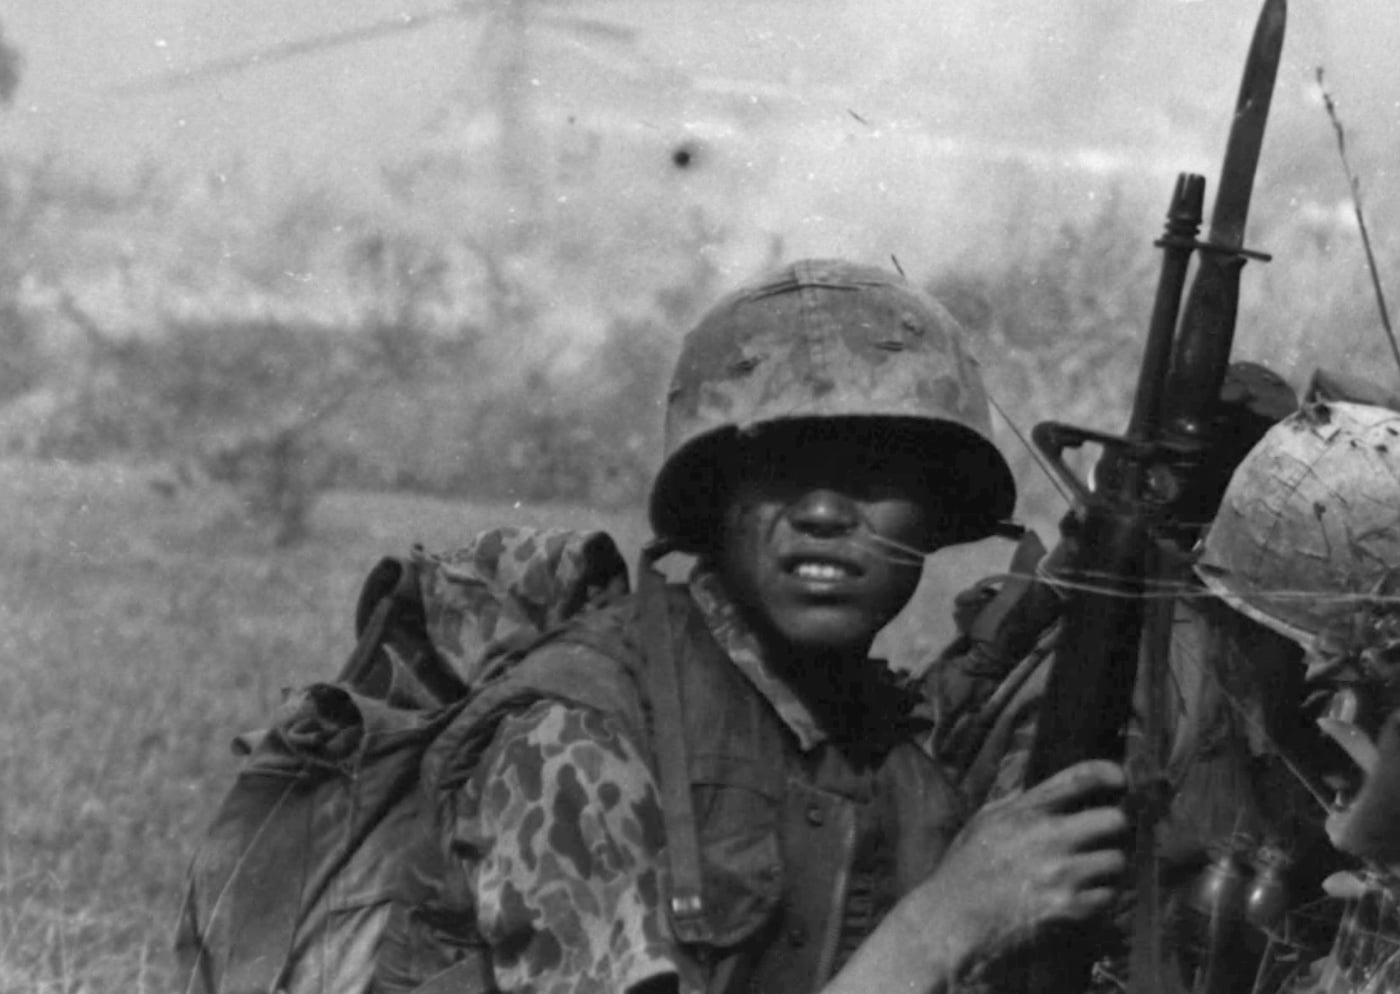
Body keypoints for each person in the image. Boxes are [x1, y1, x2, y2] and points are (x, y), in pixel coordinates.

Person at [426, 258, 1132, 993]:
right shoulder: (581, 732)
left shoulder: (901, 771)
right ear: (713, 504)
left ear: (936, 512)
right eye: (780, 468)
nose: (823, 513)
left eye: (870, 468)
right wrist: (945, 925)